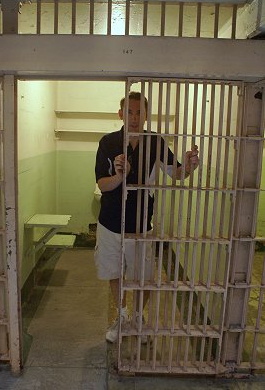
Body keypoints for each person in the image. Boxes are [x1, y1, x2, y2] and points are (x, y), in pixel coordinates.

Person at [95, 91, 199, 343]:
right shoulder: (108, 142)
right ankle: (122, 315)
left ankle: (137, 317)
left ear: (145, 114)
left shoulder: (156, 142)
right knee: (115, 272)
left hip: (142, 223)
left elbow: (175, 173)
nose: (133, 117)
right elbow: (102, 184)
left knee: (145, 277)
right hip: (110, 221)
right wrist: (121, 176)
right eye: (128, 112)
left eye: (139, 112)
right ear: (120, 114)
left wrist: (188, 167)